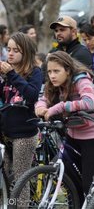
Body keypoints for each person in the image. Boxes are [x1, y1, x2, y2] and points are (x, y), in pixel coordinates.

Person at [34, 51, 94, 197]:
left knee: (90, 186)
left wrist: (59, 107)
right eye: (49, 72)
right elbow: (43, 99)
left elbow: (88, 103)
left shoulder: (82, 80)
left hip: (93, 137)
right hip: (72, 136)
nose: (52, 75)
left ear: (67, 70)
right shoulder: (55, 83)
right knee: (72, 184)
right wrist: (40, 107)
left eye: (56, 71)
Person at [0, 32, 42, 206]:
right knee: (4, 179)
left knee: (21, 178)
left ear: (25, 52)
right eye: (8, 49)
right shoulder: (5, 73)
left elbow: (31, 95)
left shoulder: (35, 72)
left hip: (24, 134)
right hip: (5, 132)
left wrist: (12, 75)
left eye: (15, 50)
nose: (10, 53)